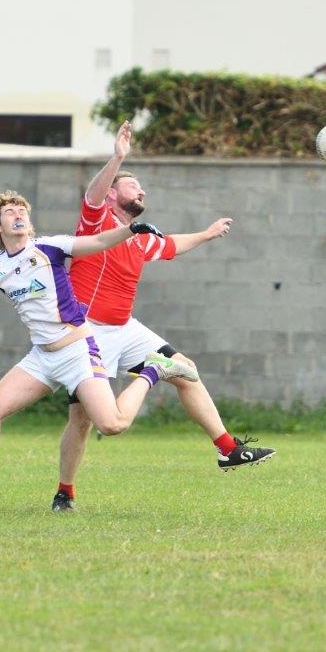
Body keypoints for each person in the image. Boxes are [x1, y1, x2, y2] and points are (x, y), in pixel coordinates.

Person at [0, 190, 199, 515]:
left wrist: (131, 230)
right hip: (42, 357)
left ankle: (153, 371)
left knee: (112, 425)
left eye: (22, 211)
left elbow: (97, 243)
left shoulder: (48, 247)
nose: (18, 215)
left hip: (77, 351)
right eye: (10, 212)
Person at [51, 121, 275, 512]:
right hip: (88, 332)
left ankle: (228, 450)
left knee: (186, 369)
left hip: (125, 327)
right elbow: (92, 194)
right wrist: (118, 157)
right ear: (113, 196)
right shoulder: (97, 222)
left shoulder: (140, 237)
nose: (141, 190)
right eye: (133, 185)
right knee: (82, 419)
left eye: (142, 187)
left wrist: (205, 234)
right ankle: (65, 491)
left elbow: (171, 245)